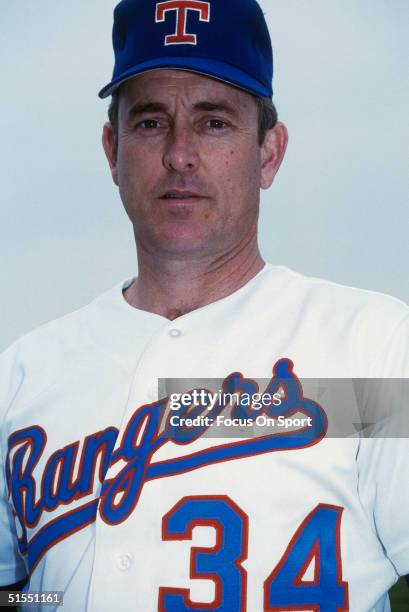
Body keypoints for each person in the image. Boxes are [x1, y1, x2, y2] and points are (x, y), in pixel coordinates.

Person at [1, 1, 408, 610]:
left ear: (269, 152)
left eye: (214, 122)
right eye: (149, 122)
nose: (180, 154)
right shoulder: (24, 374)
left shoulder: (374, 347)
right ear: (112, 151)